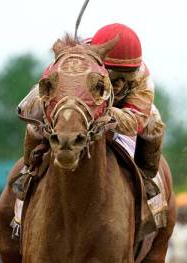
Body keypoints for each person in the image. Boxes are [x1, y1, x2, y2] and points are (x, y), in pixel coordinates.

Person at [17, 23, 166, 200]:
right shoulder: (72, 59)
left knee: (154, 125)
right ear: (101, 66)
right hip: (79, 96)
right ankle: (30, 169)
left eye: (126, 77)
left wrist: (104, 114)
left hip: (120, 107)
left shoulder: (143, 79)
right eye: (112, 74)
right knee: (32, 111)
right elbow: (49, 91)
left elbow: (135, 122)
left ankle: (145, 176)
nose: (118, 84)